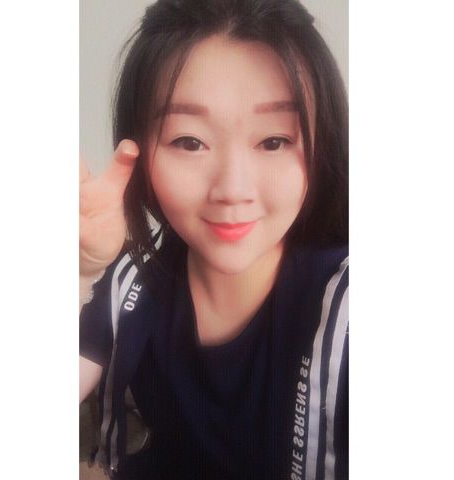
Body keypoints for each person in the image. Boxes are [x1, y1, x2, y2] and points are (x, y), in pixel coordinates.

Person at [79, 0, 348, 479]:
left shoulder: (347, 308)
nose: (233, 189)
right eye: (189, 142)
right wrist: (75, 273)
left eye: (274, 141)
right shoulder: (124, 283)